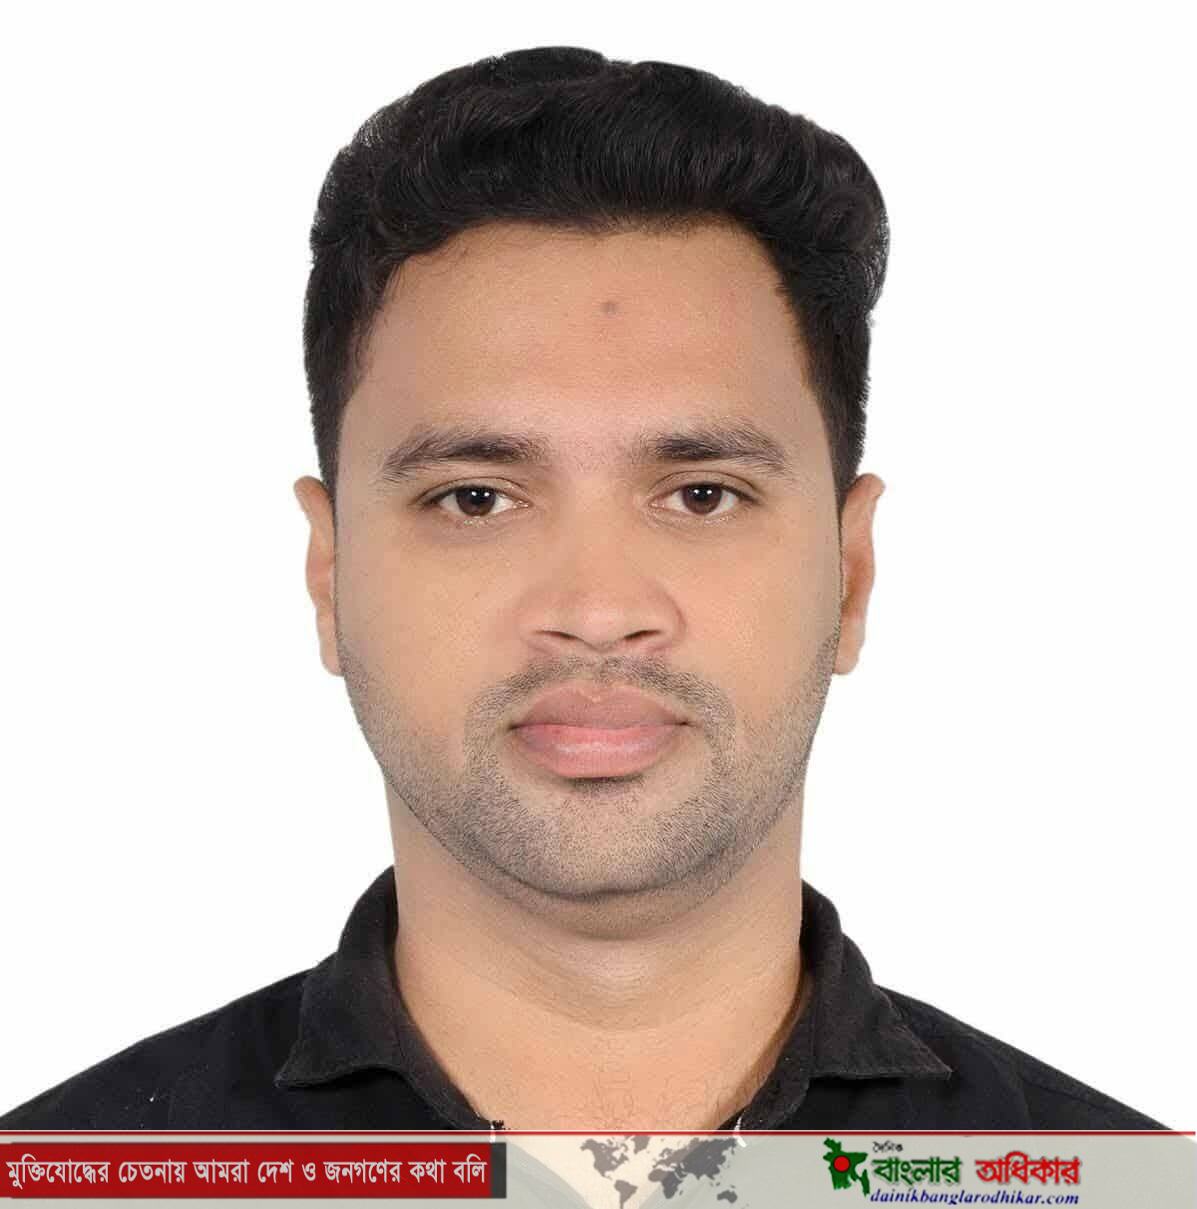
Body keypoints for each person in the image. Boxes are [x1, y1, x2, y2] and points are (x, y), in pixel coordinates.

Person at [0, 45, 1167, 1132]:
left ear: (850, 573)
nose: (599, 609)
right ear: (330, 573)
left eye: (701, 494)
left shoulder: (1116, 1189)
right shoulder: (68, 1181)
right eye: (476, 499)